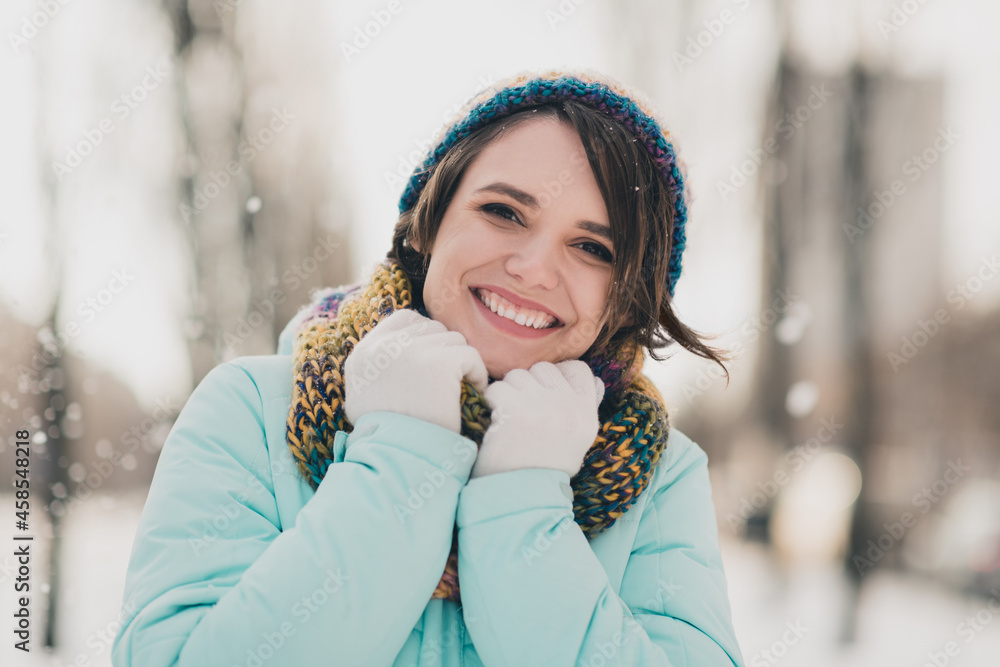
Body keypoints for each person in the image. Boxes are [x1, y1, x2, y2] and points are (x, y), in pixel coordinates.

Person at [112, 70, 745, 666]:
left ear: (628, 295)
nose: (532, 268)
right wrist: (404, 457)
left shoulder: (660, 476)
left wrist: (522, 500)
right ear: (428, 222)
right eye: (503, 212)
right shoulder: (249, 409)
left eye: (592, 247)